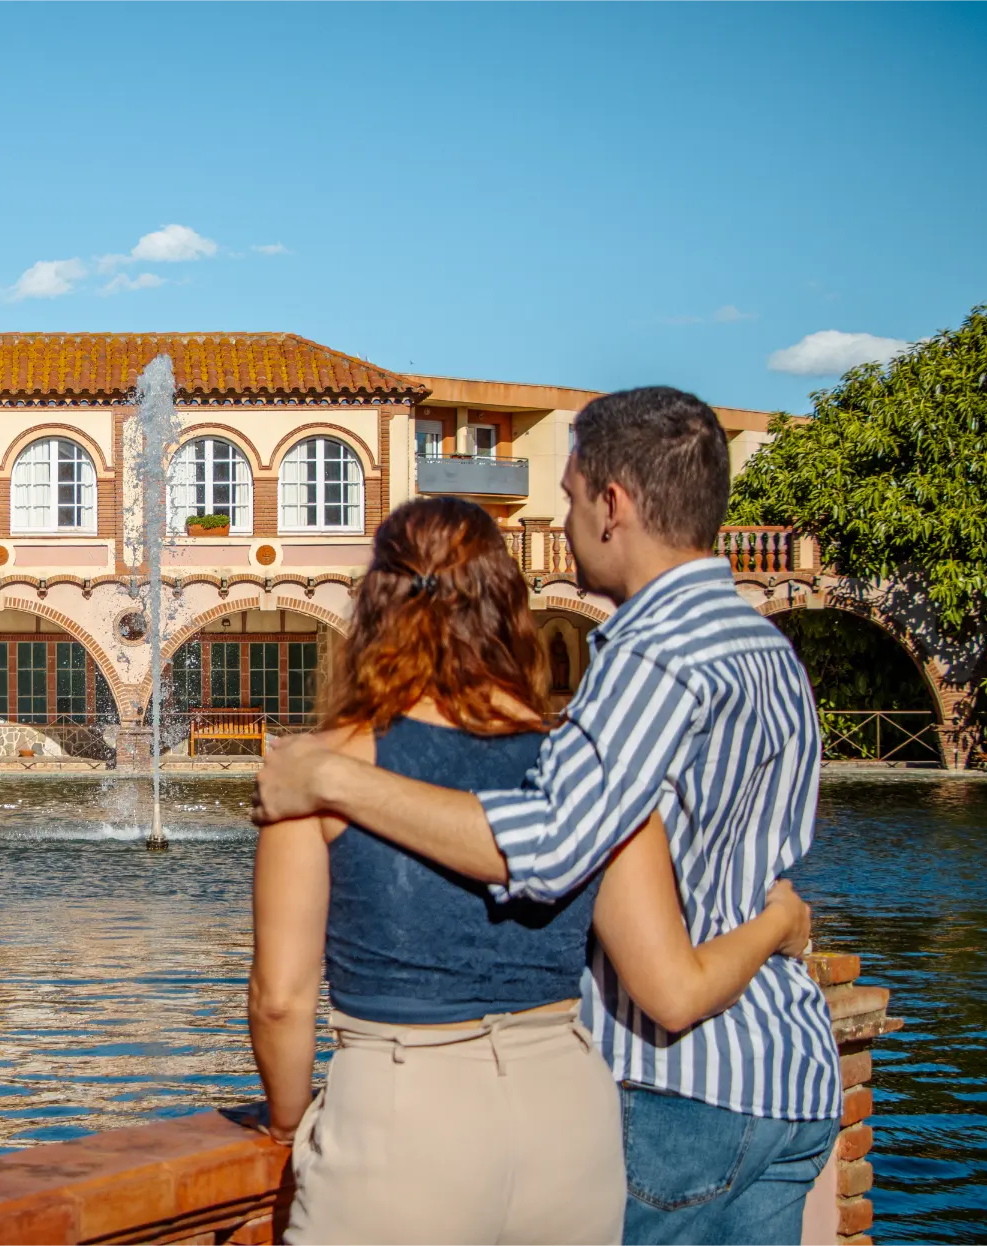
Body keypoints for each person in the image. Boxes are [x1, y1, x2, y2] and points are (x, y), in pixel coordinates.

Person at [254, 387, 841, 1243]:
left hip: (671, 1086)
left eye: (567, 496)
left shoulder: (651, 657)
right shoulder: (767, 649)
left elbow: (560, 840)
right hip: (774, 1075)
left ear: (614, 504)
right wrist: (780, 921)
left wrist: (336, 781)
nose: (562, 522)